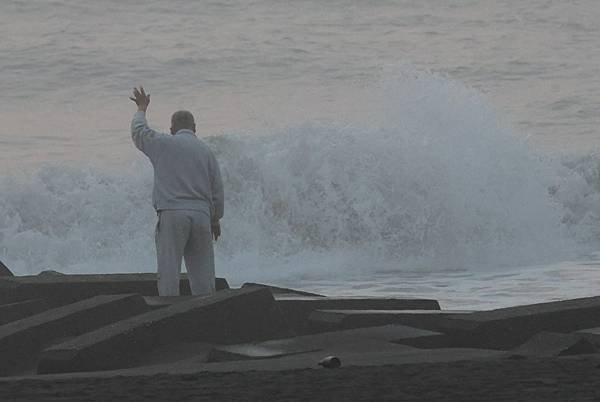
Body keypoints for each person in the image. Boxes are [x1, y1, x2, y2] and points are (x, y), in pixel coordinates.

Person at [129, 86, 224, 296]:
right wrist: (215, 219)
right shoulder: (206, 151)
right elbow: (217, 189)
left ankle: (169, 316)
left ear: (172, 129)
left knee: (169, 273)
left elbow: (138, 132)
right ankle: (207, 313)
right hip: (201, 216)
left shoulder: (164, 144)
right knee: (203, 278)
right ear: (195, 128)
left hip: (172, 214)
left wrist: (142, 108)